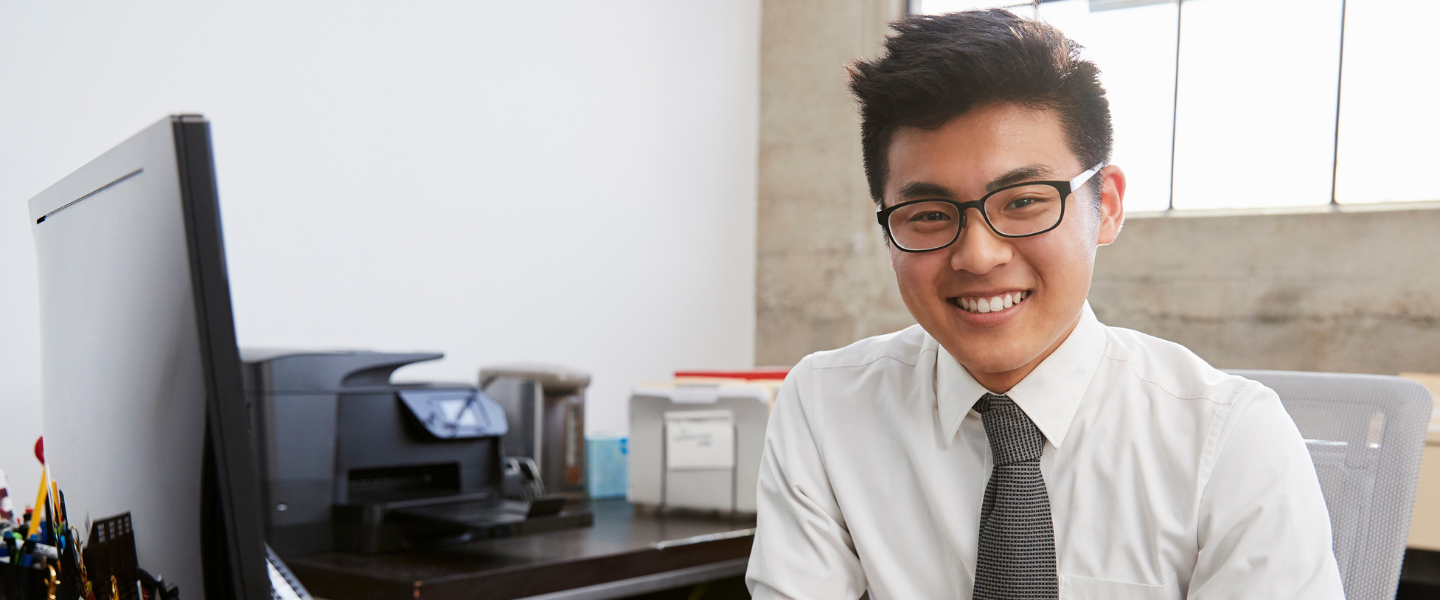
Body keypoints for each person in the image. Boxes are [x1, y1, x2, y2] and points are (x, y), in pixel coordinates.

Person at [744, 9, 1342, 600]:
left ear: (1105, 205)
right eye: (928, 215)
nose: (977, 256)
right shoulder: (826, 408)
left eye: (1024, 202)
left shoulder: (1231, 439)